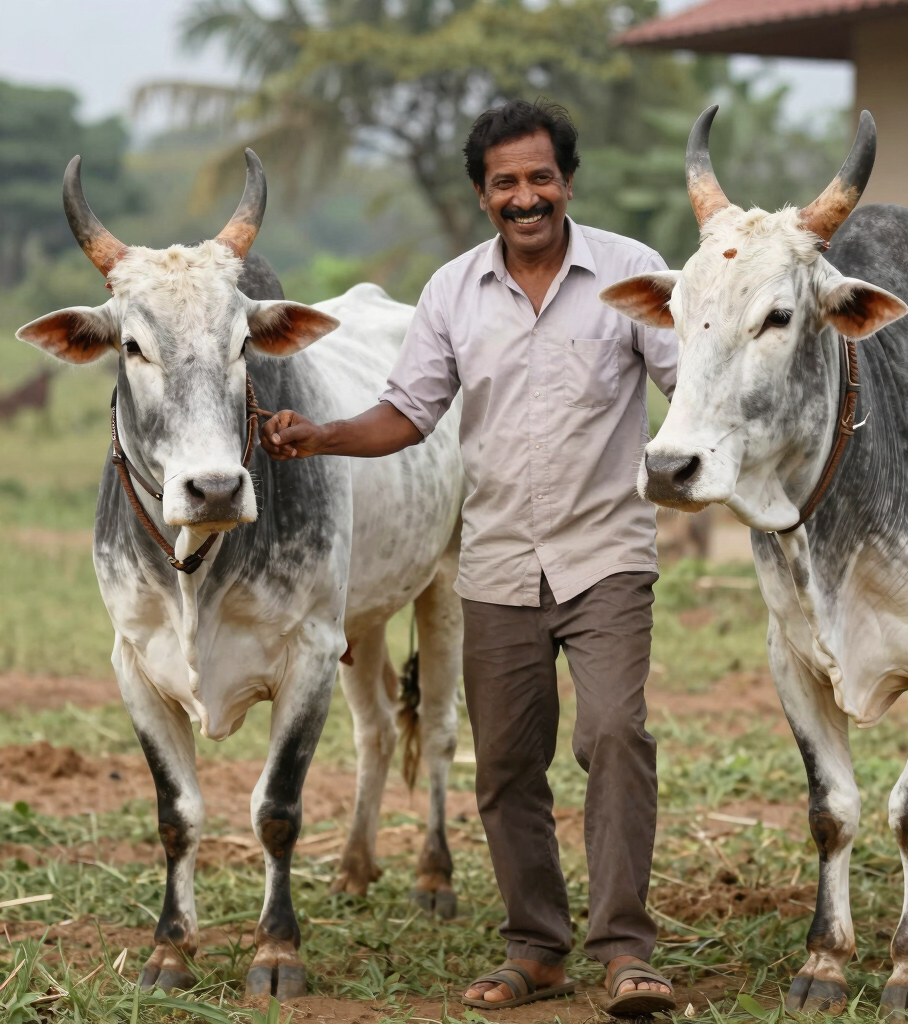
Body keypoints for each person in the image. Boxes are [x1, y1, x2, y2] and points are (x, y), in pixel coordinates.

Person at [261, 99, 678, 1016]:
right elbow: (409, 412)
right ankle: (536, 949)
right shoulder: (452, 290)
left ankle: (625, 950)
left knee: (613, 734)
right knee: (504, 767)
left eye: (539, 178)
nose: (524, 197)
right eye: (505, 183)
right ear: (483, 195)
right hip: (495, 562)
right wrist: (321, 434)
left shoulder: (633, 274)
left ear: (567, 181)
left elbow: (695, 382)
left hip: (606, 551)